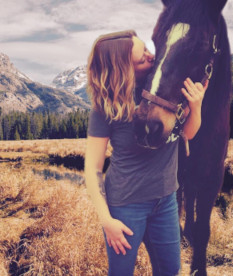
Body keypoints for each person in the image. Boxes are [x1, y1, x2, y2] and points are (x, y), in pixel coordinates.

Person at [85, 30, 207, 276]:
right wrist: (106, 220)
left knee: (170, 272)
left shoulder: (166, 84)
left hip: (165, 201)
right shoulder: (106, 106)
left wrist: (196, 107)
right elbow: (93, 168)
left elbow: (187, 134)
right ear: (124, 69)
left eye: (148, 50)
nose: (152, 58)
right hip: (126, 205)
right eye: (142, 59)